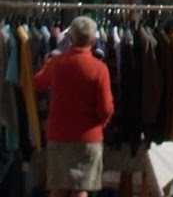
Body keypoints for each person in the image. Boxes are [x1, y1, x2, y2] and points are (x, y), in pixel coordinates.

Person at [33, 15, 114, 197]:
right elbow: (106, 108)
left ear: (70, 38)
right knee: (81, 188)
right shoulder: (99, 69)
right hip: (88, 137)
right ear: (93, 41)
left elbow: (38, 83)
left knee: (57, 187)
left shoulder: (57, 63)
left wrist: (46, 65)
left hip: (59, 135)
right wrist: (101, 124)